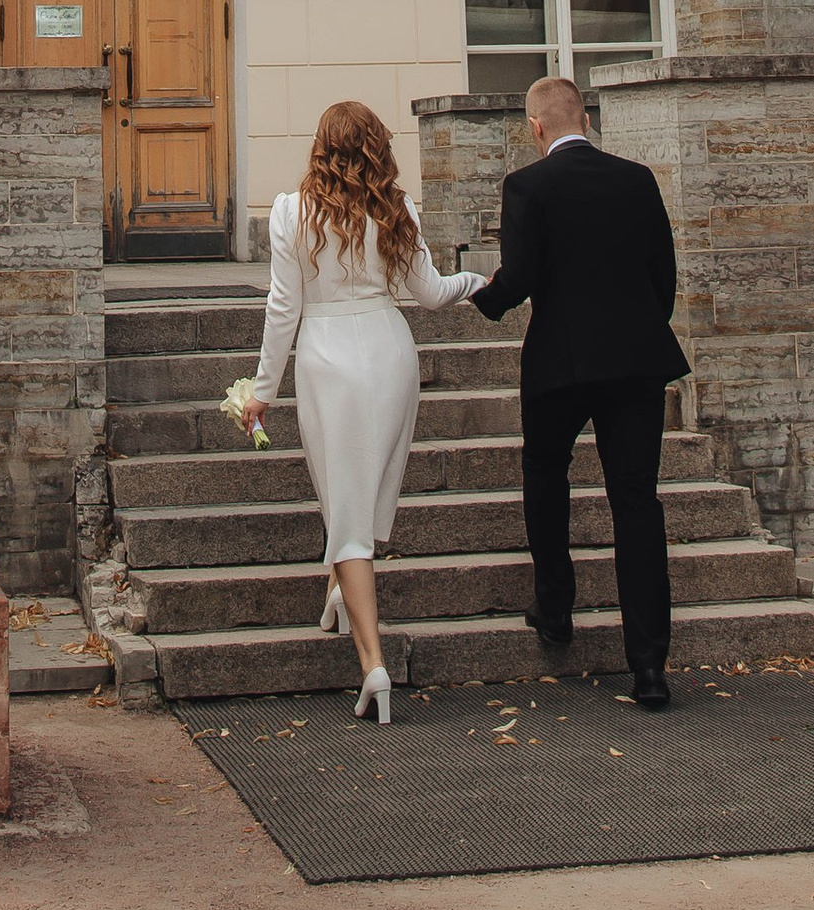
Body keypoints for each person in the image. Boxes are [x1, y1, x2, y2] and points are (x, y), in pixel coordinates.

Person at [246, 100, 486, 722]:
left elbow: (282, 308)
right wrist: (474, 283)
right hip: (390, 349)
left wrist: (262, 390)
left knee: (346, 505)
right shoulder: (395, 208)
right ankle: (336, 591)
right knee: (364, 492)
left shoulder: (290, 211)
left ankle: (373, 662)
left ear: (321, 147)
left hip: (328, 358)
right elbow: (430, 294)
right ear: (377, 146)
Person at [470, 74, 689, 711]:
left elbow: (519, 279)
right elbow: (663, 276)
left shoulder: (527, 185)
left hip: (559, 363)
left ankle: (556, 608)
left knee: (545, 472)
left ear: (535, 128)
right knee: (637, 504)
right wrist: (639, 330)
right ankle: (649, 668)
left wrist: (472, 294)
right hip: (635, 360)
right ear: (585, 119)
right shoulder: (637, 179)